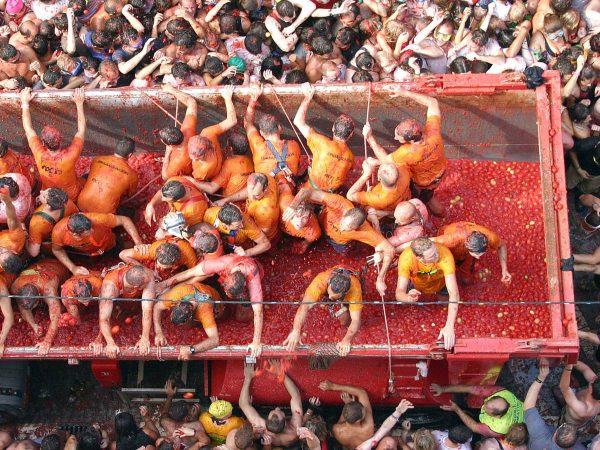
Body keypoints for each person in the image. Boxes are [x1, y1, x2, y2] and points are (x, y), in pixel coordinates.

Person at [283, 187, 395, 296]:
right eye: (343, 223)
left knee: (343, 251)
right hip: (322, 222)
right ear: (344, 214)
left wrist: (380, 278)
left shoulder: (365, 231)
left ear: (357, 228)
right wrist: (293, 206)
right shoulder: (339, 203)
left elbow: (390, 249)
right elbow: (306, 191)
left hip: (338, 242)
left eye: (347, 228)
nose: (341, 228)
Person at [156, 254, 264, 357]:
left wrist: (256, 341)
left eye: (228, 293)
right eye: (225, 290)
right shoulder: (220, 264)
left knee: (241, 317)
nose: (227, 293)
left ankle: (241, 302)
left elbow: (258, 312)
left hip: (225, 301)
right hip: (212, 290)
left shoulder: (253, 282)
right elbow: (191, 272)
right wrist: (164, 284)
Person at [365, 87, 446, 216]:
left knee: (426, 198)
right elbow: (432, 102)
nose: (395, 138)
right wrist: (404, 92)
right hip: (441, 172)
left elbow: (385, 160)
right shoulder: (433, 132)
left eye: (398, 137)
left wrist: (369, 138)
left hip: (424, 183)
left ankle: (441, 214)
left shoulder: (407, 152)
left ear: (408, 140)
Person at [20, 87, 86, 200]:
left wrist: (25, 103)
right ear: (61, 141)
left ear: (43, 144)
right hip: (71, 196)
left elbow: (28, 129)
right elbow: (81, 130)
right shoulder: (70, 155)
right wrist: (79, 104)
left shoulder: (39, 152)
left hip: (48, 194)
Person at [283, 265, 363, 356]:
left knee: (345, 321)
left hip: (353, 276)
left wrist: (347, 340)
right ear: (329, 283)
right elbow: (304, 307)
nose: (329, 297)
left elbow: (356, 320)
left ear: (344, 293)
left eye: (333, 297)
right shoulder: (321, 280)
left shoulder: (355, 289)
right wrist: (296, 331)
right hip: (336, 273)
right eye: (329, 293)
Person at [396, 237, 459, 350]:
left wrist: (449, 326)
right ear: (420, 258)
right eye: (432, 256)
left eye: (435, 251)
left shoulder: (445, 255)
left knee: (445, 304)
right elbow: (398, 293)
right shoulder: (406, 259)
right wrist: (407, 297)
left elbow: (454, 294)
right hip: (417, 285)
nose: (437, 255)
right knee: (405, 304)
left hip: (440, 284)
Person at [293, 82, 354, 192]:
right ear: (351, 135)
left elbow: (298, 121)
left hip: (310, 191)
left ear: (333, 129)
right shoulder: (351, 157)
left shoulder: (322, 142)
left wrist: (308, 97)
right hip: (332, 195)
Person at [10, 258, 70, 356]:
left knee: (62, 307)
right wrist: (33, 325)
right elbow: (23, 307)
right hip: (39, 264)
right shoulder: (15, 287)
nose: (32, 309)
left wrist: (47, 341)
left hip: (59, 267)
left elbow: (56, 318)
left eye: (34, 306)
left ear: (39, 297)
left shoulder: (48, 290)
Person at [51, 212, 143, 275]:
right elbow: (56, 250)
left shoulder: (97, 218)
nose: (92, 230)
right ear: (76, 235)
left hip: (110, 244)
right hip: (89, 254)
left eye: (91, 227)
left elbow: (124, 220)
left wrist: (138, 243)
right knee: (92, 264)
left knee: (122, 247)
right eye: (87, 231)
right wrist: (72, 268)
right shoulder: (59, 233)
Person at [95, 264, 156, 358]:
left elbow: (147, 311)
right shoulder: (109, 288)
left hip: (133, 298)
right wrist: (110, 343)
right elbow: (104, 319)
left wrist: (145, 338)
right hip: (115, 290)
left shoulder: (147, 275)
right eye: (145, 284)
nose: (149, 284)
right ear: (136, 286)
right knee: (107, 313)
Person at [245, 83, 301, 181]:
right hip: (289, 190)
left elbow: (248, 123)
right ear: (280, 128)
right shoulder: (294, 145)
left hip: (266, 191)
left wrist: (253, 99)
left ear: (261, 133)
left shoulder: (258, 146)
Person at [524, 359, 585, 450]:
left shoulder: (540, 435)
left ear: (555, 433)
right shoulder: (580, 448)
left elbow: (528, 406)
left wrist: (541, 377)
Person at [240, 362, 303, 446]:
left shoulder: (261, 428)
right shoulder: (294, 429)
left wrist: (247, 378)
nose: (277, 408)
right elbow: (296, 394)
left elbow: (243, 404)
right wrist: (280, 373)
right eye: (279, 411)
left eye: (275, 410)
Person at [153, 282, 221, 359]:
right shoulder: (177, 294)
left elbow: (215, 340)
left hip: (217, 303)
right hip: (201, 289)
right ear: (177, 303)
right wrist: (158, 332)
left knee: (224, 316)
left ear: (191, 318)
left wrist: (191, 349)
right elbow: (157, 307)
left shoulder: (205, 312)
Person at [430, 382, 524, 437]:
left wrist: (457, 409)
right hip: (525, 409)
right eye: (488, 401)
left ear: (497, 416)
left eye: (487, 407)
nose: (484, 405)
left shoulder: (496, 428)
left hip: (523, 427)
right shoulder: (503, 393)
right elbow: (471, 389)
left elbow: (474, 427)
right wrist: (443, 389)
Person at [431, 221, 512, 285]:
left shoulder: (490, 238)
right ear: (467, 246)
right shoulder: (451, 239)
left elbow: (502, 246)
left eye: (481, 254)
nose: (478, 258)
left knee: (467, 281)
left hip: (464, 255)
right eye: (476, 255)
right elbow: (429, 241)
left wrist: (504, 270)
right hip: (446, 251)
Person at [346, 156, 411, 231]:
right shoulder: (403, 172)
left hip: (391, 211)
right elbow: (393, 163)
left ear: (378, 178)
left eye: (379, 168)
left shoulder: (379, 198)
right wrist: (377, 162)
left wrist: (366, 174)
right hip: (404, 202)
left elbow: (350, 195)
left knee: (369, 210)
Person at [77, 137, 138, 214]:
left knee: (87, 175)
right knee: (132, 212)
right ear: (130, 155)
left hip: (81, 205)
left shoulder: (97, 159)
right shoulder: (132, 175)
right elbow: (130, 195)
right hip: (105, 215)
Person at [189, 85, 237, 182]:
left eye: (197, 159)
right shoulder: (208, 133)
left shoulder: (203, 170)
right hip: (221, 162)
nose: (194, 160)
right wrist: (227, 98)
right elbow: (232, 120)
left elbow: (196, 182)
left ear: (205, 152)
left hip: (214, 176)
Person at [215, 173, 280, 242]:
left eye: (256, 195)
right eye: (250, 193)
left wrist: (239, 224)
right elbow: (250, 191)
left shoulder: (265, 211)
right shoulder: (263, 178)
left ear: (265, 190)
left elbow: (263, 234)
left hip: (268, 234)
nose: (251, 197)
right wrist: (226, 200)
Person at [319, 380, 374, 449]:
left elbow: (341, 422)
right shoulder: (368, 428)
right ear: (358, 421)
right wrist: (333, 386)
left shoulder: (337, 430)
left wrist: (348, 404)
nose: (365, 410)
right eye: (364, 413)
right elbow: (362, 392)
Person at [203, 203, 272, 256]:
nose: (242, 225)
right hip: (219, 246)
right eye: (237, 225)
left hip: (242, 247)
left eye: (241, 220)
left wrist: (246, 253)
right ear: (225, 225)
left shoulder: (247, 224)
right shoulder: (210, 214)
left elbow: (266, 244)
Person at [26, 188, 78, 257]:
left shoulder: (37, 222)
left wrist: (25, 236)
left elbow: (33, 253)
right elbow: (76, 214)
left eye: (44, 196)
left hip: (50, 246)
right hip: (65, 239)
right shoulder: (68, 203)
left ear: (48, 206)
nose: (41, 191)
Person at [160, 84, 198, 179]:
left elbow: (164, 177)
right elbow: (192, 103)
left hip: (190, 172)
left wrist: (167, 153)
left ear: (170, 145)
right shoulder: (187, 130)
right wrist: (171, 89)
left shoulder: (178, 160)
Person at [119, 237, 197, 280]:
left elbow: (195, 274)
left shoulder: (189, 256)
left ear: (174, 264)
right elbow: (123, 254)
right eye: (158, 262)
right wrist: (147, 270)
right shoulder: (154, 249)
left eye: (165, 267)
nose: (159, 267)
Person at [278, 179, 321, 254]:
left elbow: (308, 241)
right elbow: (284, 187)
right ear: (291, 211)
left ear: (310, 216)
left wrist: (304, 244)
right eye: (297, 215)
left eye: (304, 218)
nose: (299, 222)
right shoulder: (284, 203)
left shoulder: (314, 232)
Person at [559, 361, 600, 428]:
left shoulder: (583, 409)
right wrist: (571, 360)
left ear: (590, 389)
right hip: (574, 402)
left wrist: (568, 368)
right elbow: (585, 369)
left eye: (592, 381)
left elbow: (564, 388)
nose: (593, 378)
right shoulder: (596, 387)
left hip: (569, 422)